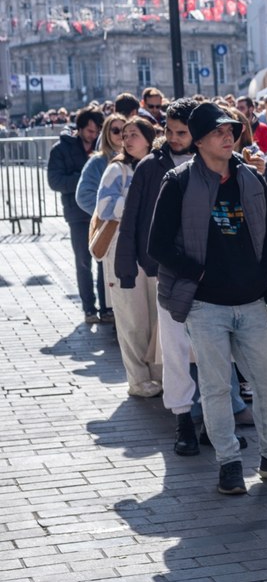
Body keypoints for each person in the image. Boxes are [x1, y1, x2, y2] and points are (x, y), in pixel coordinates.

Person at [148, 102, 267, 495]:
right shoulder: (178, 182)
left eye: (232, 130)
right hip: (205, 305)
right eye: (220, 131)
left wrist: (260, 277)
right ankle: (228, 462)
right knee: (214, 386)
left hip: (251, 300)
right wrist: (197, 273)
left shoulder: (250, 179)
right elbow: (158, 244)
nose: (229, 136)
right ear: (200, 139)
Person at [116, 98, 216, 455]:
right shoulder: (149, 167)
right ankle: (183, 421)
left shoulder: (219, 163)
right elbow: (132, 220)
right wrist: (127, 268)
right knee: (175, 352)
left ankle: (213, 423)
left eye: (182, 132)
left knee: (213, 352)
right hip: (169, 272)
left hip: (215, 276)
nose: (174, 138)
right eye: (169, 131)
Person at [95, 117, 162, 398]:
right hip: (123, 251)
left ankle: (159, 373)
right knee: (132, 318)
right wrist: (137, 201)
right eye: (125, 135)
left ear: (149, 138)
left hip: (153, 250)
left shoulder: (158, 166)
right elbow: (104, 206)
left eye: (134, 134)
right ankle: (138, 379)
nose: (128, 139)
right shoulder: (117, 170)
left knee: (157, 316)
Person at [49, 108, 109, 324]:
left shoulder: (102, 148)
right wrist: (85, 178)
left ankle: (106, 307)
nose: (93, 136)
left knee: (103, 260)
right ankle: (89, 308)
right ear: (80, 128)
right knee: (83, 261)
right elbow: (54, 181)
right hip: (77, 214)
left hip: (101, 213)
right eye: (89, 131)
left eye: (96, 132)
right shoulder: (61, 149)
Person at [75, 113, 126, 216]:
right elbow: (83, 196)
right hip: (110, 224)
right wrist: (109, 212)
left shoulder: (136, 158)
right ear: (107, 133)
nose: (121, 134)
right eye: (115, 131)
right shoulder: (98, 161)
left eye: (124, 130)